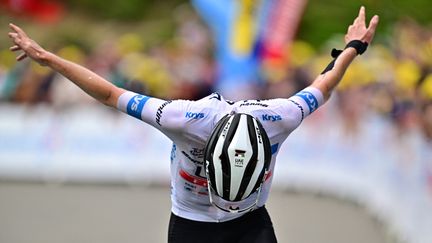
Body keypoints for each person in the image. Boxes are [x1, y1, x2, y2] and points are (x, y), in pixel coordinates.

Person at [8, 6, 379, 243]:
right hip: (195, 226)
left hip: (245, 224)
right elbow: (109, 92)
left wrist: (352, 48)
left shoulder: (275, 117)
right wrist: (48, 59)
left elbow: (325, 85)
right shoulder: (187, 119)